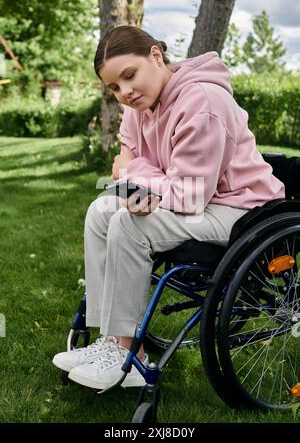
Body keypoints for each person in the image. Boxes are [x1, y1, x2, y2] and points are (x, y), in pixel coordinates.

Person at [52, 25, 285, 390]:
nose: (125, 93)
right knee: (101, 211)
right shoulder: (144, 100)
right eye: (114, 87)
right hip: (195, 197)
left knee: (129, 225)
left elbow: (188, 193)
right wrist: (140, 174)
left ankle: (127, 356)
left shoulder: (202, 102)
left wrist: (136, 173)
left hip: (239, 210)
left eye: (129, 76)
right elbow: (129, 143)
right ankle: (114, 341)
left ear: (156, 56)